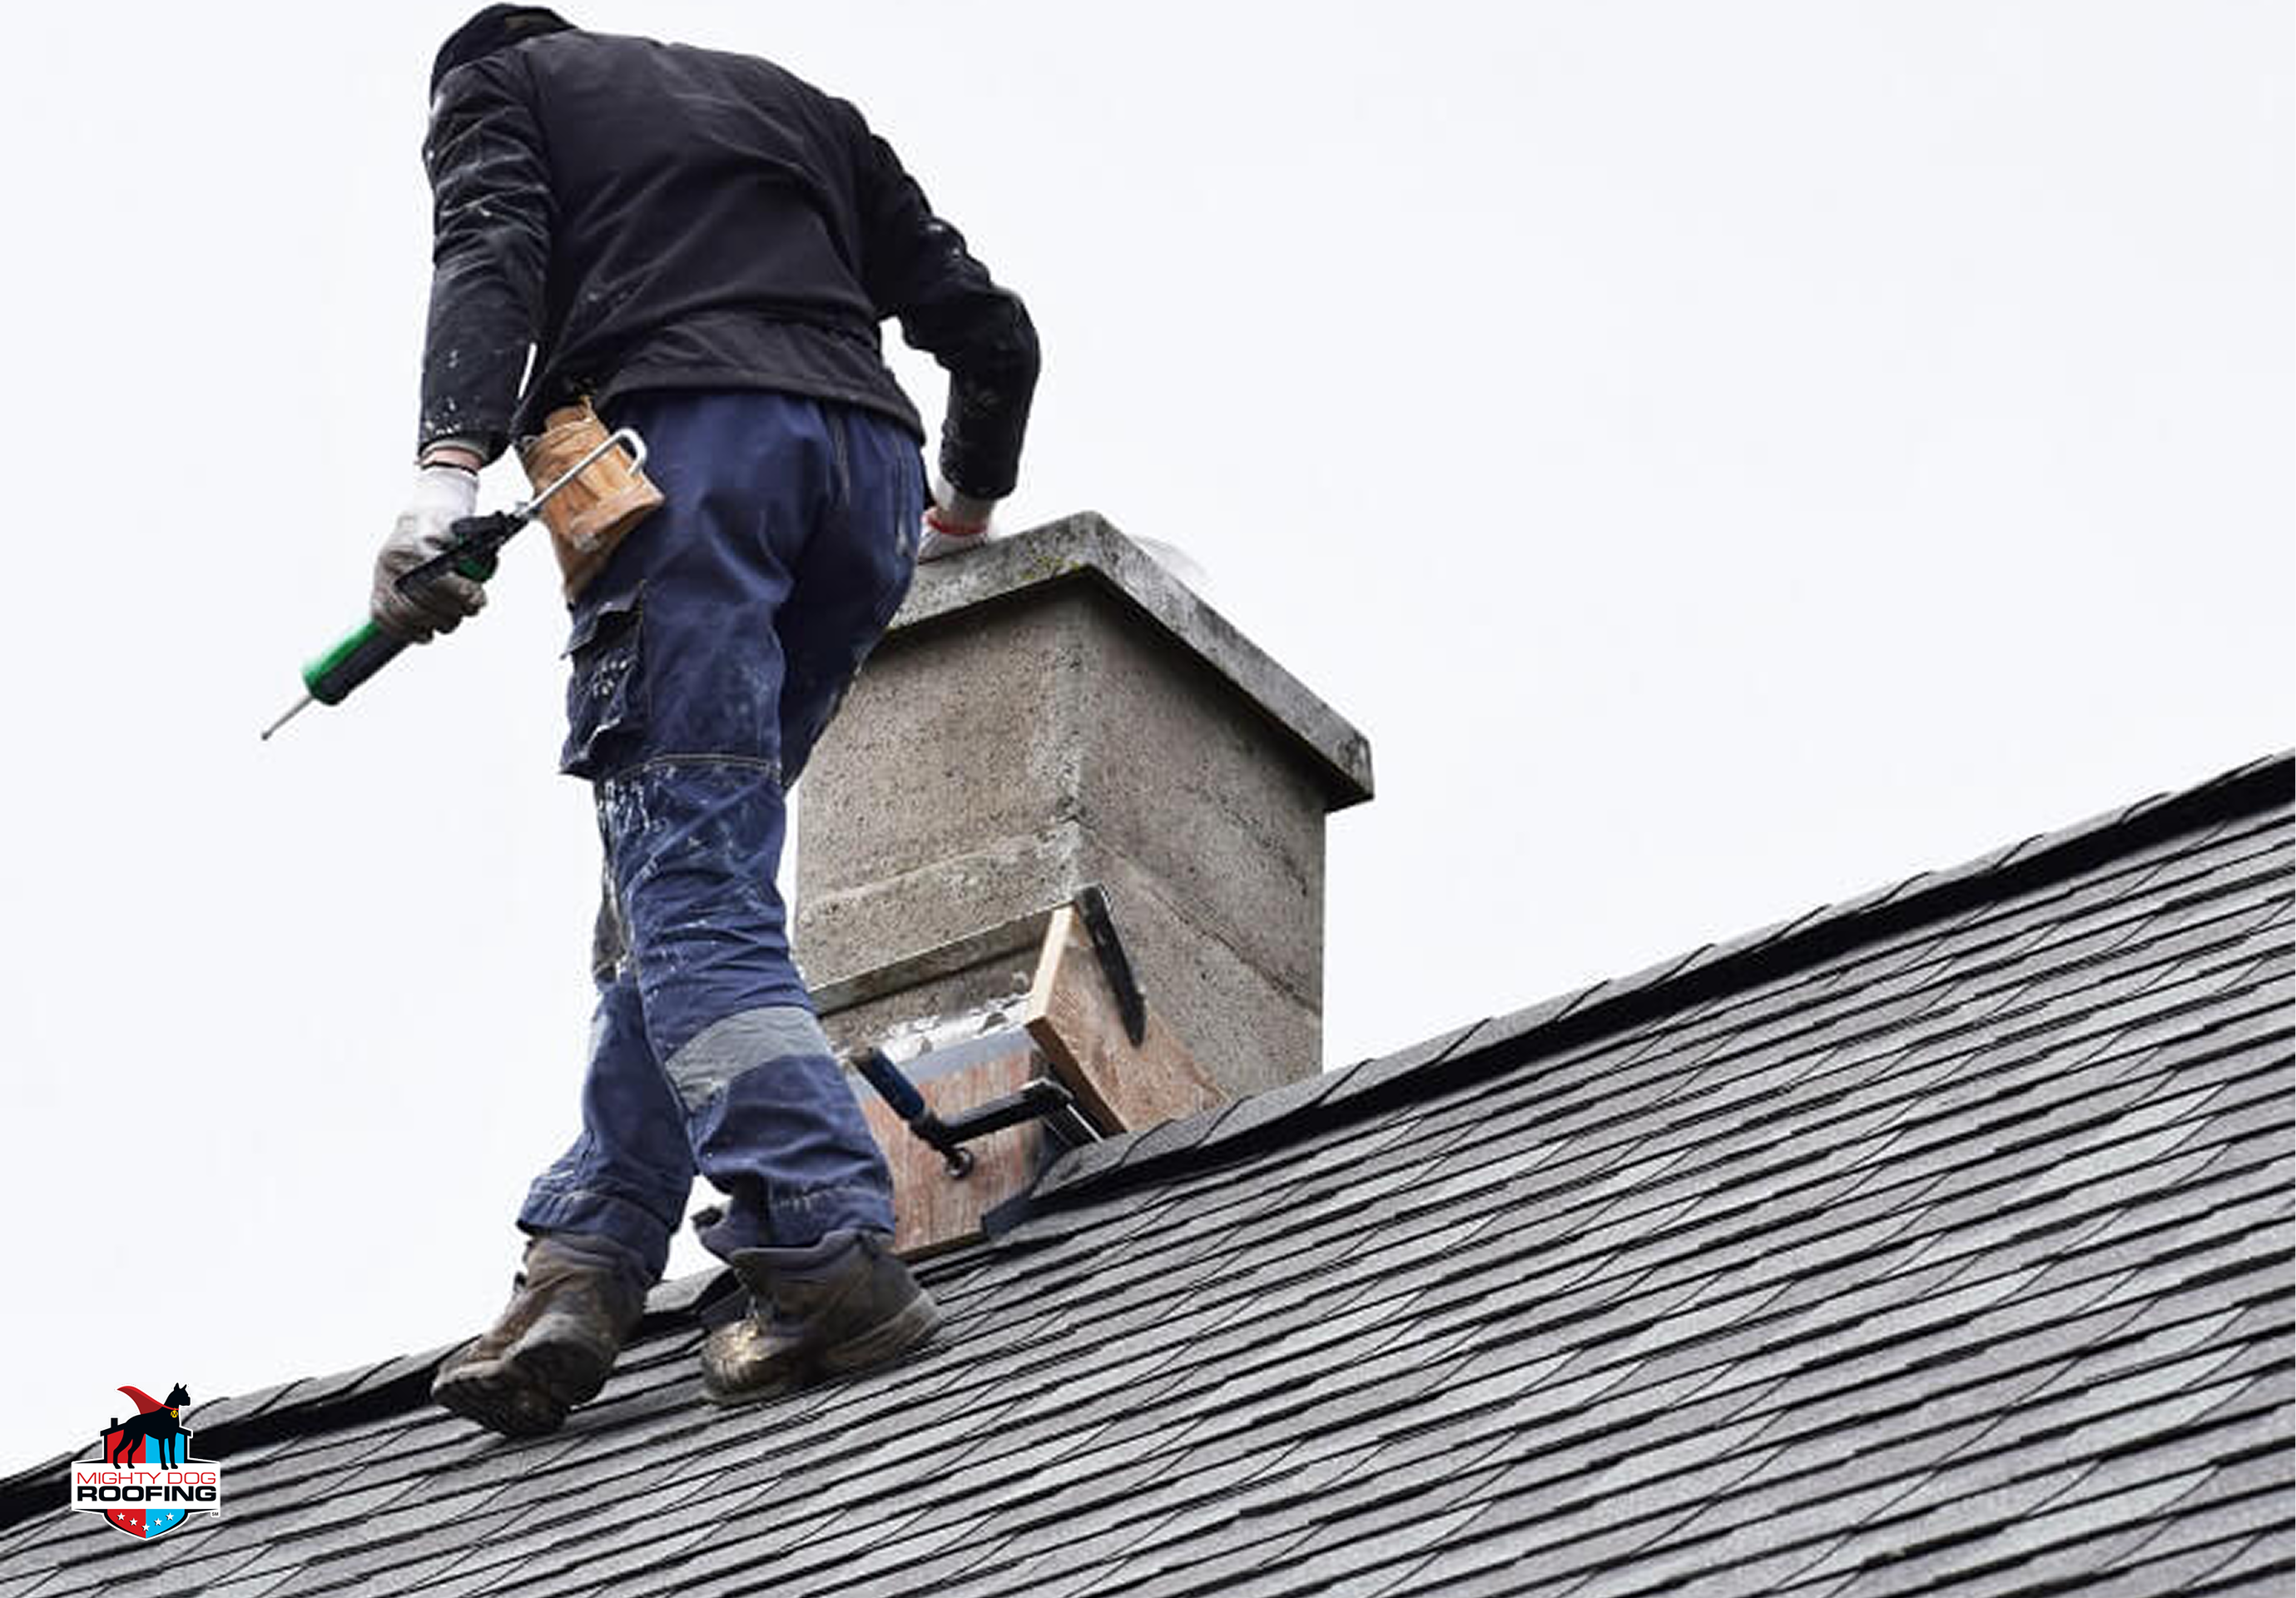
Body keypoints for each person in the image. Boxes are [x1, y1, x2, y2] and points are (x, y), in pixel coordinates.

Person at [376, 5, 1039, 1437]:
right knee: (685, 881)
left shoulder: (498, 78)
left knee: (685, 883)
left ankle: (823, 1244)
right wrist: (966, 505)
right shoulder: (795, 103)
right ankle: (592, 1255)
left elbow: (488, 252)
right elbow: (992, 335)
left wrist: (444, 477)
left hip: (688, 458)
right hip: (862, 481)